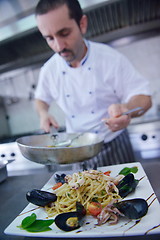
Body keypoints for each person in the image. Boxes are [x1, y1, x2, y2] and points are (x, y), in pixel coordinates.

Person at [34, 0, 152, 168]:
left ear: (82, 24)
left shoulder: (111, 59)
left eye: (65, 33)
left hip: (114, 146)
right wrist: (43, 113)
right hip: (76, 151)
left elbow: (144, 98)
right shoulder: (49, 69)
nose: (59, 46)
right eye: (50, 38)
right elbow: (40, 99)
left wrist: (127, 109)